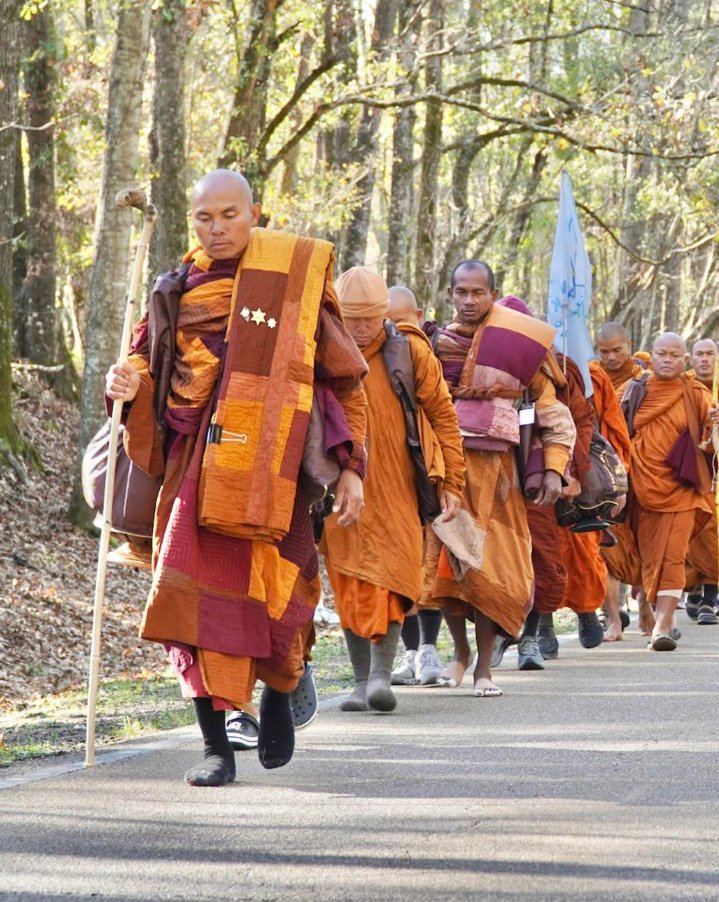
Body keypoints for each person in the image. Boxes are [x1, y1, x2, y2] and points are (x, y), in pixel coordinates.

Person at [105, 169, 368, 785]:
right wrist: (128, 381)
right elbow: (147, 361)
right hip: (194, 467)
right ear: (191, 220)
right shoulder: (174, 288)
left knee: (280, 594)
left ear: (255, 213)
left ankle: (280, 689)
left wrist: (351, 469)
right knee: (189, 600)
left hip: (276, 471)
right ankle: (215, 748)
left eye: (230, 215)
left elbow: (340, 382)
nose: (217, 228)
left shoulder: (294, 278)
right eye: (205, 217)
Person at [421, 261, 576, 697]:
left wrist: (554, 468)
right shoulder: (434, 346)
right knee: (447, 567)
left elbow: (552, 413)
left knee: (494, 570)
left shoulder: (519, 346)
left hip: (501, 479)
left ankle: (484, 668)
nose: (469, 300)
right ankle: (460, 652)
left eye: (478, 292)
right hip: (446, 474)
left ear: (493, 294)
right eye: (462, 292)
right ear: (449, 294)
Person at [321, 266, 465, 712]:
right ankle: (359, 682)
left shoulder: (409, 350)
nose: (361, 328)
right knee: (348, 581)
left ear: (383, 313)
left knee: (395, 576)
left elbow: (443, 415)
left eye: (370, 318)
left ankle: (381, 677)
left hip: (400, 485)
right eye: (352, 319)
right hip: (342, 486)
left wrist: (453, 482)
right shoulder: (323, 349)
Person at [621, 332, 718, 650]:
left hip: (682, 489)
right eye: (661, 354)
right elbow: (614, 432)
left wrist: (714, 424)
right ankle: (656, 611)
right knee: (651, 558)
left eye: (674, 356)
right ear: (651, 355)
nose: (667, 360)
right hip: (641, 487)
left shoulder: (696, 393)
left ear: (685, 360)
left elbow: (711, 443)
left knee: (673, 556)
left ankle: (663, 626)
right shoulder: (634, 390)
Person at [387, 283, 447, 686]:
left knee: (428, 563)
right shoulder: (371, 350)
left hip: (426, 466)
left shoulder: (436, 350)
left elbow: (443, 411)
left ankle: (428, 648)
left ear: (419, 315)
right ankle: (408, 652)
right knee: (399, 563)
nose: (395, 328)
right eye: (387, 321)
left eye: (402, 319)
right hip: (388, 471)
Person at [684, 338, 719, 623]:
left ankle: (709, 597)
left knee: (713, 531)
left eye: (710, 354)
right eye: (700, 354)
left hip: (716, 474)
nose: (705, 359)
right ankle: (694, 587)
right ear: (690, 358)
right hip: (690, 469)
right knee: (692, 531)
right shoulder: (682, 386)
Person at [595, 321, 644, 394]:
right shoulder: (592, 375)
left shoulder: (640, 372)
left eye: (617, 350)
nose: (611, 358)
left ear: (628, 345)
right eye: (604, 352)